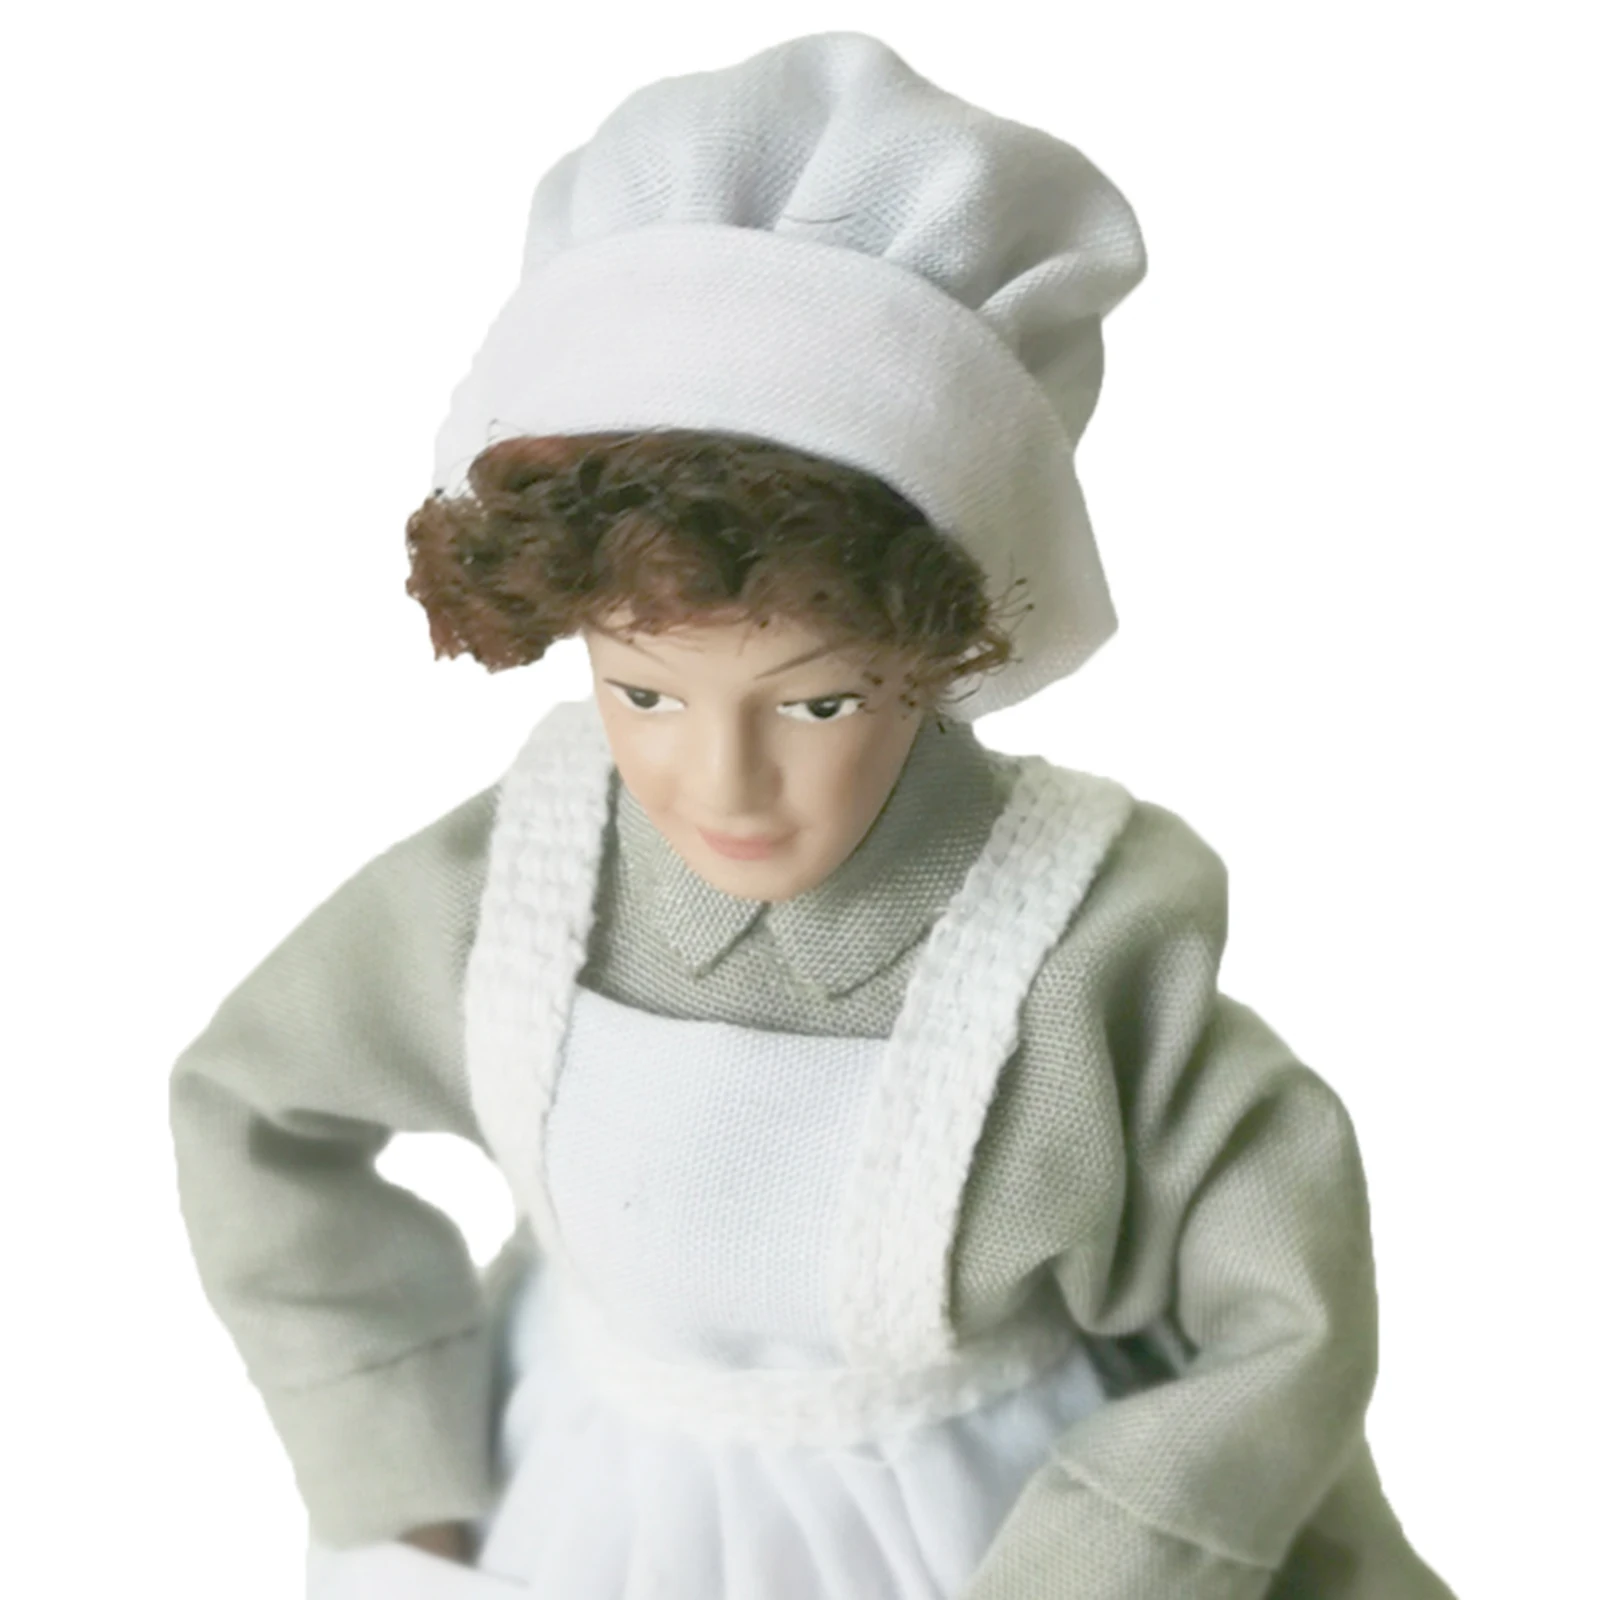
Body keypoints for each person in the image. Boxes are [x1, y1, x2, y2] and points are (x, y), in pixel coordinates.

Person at [169, 31, 1456, 1599]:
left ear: (942, 655)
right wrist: (389, 1451)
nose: (724, 782)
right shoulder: (512, 889)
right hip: (583, 1498)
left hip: (984, 1529)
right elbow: (255, 1108)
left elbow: (1288, 1310)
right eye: (645, 692)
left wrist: (1115, 1550)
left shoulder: (1085, 952)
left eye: (819, 704)